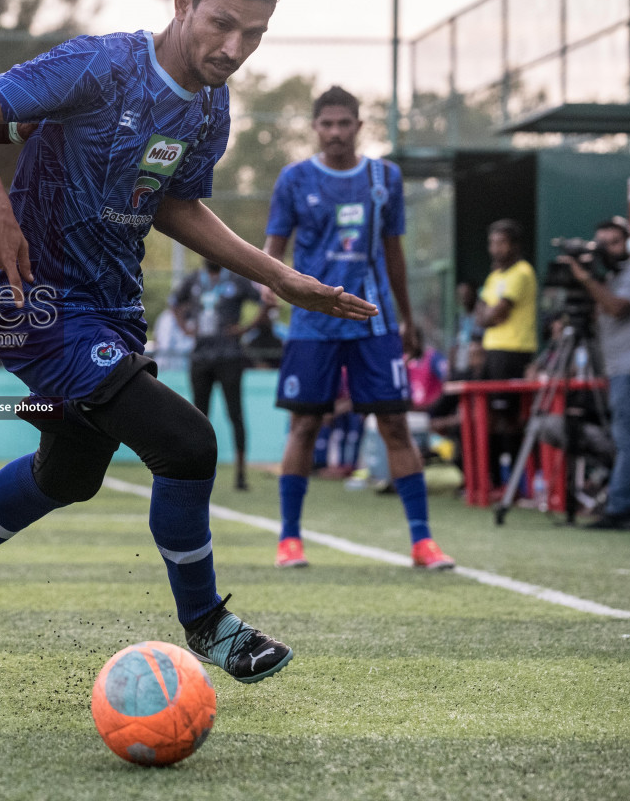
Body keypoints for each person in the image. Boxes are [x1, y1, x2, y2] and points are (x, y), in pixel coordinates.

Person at [0, 0, 378, 686]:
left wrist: (282, 278)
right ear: (181, 5)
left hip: (112, 309)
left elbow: (178, 204)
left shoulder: (212, 107)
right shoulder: (103, 63)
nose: (233, 47)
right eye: (220, 24)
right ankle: (209, 625)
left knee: (70, 473)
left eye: (253, 34)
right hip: (34, 298)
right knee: (186, 443)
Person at [264, 86, 455, 571]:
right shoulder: (294, 178)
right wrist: (268, 281)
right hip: (312, 324)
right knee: (305, 423)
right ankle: (289, 540)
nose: (334, 132)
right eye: (325, 124)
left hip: (375, 322)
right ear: (314, 127)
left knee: (394, 423)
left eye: (343, 123)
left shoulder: (384, 177)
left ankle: (422, 542)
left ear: (358, 126)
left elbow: (393, 252)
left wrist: (407, 317)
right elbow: (274, 246)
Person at [564, 217, 630, 530]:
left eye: (615, 242)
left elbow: (617, 308)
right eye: (603, 243)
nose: (609, 249)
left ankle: (620, 508)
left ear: (628, 243)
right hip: (621, 367)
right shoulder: (609, 279)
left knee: (627, 439)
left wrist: (586, 280)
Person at [176, 259, 260, 490]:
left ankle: (241, 475)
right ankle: (195, 472)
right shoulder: (193, 280)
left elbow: (266, 303)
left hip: (229, 356)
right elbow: (174, 303)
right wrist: (184, 328)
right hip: (201, 357)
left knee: (235, 414)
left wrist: (246, 328)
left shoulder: (236, 280)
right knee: (198, 417)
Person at [474, 219, 538, 489]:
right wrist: (487, 315)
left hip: (515, 352)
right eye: (492, 243)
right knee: (488, 417)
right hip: (493, 351)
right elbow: (480, 316)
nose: (495, 249)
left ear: (514, 245)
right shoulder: (494, 276)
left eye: (501, 243)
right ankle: (490, 480)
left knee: (511, 419)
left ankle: (517, 481)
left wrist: (488, 315)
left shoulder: (522, 273)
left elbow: (495, 313)